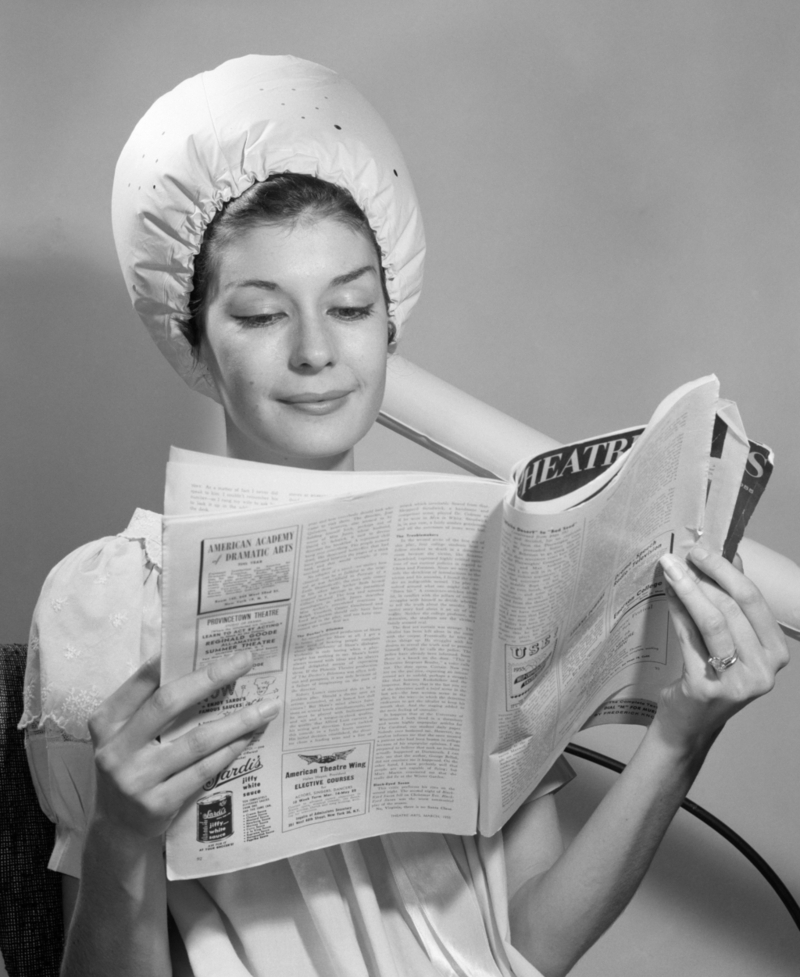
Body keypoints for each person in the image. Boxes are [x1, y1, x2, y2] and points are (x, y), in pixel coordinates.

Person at [19, 55, 788, 977]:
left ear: (389, 324)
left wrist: (679, 737)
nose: (315, 351)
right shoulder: (105, 599)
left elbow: (530, 944)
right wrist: (121, 839)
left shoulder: (484, 564)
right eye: (262, 315)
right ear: (196, 344)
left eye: (348, 305)